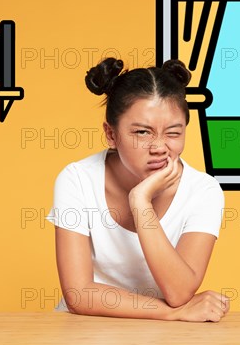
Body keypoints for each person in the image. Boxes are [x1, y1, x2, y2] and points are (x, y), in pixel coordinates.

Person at [47, 58, 229, 322]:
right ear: (111, 134)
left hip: (163, 342)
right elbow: (79, 294)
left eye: (173, 133)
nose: (159, 147)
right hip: (85, 332)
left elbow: (179, 291)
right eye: (142, 132)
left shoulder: (203, 190)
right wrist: (172, 314)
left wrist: (141, 202)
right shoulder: (77, 179)